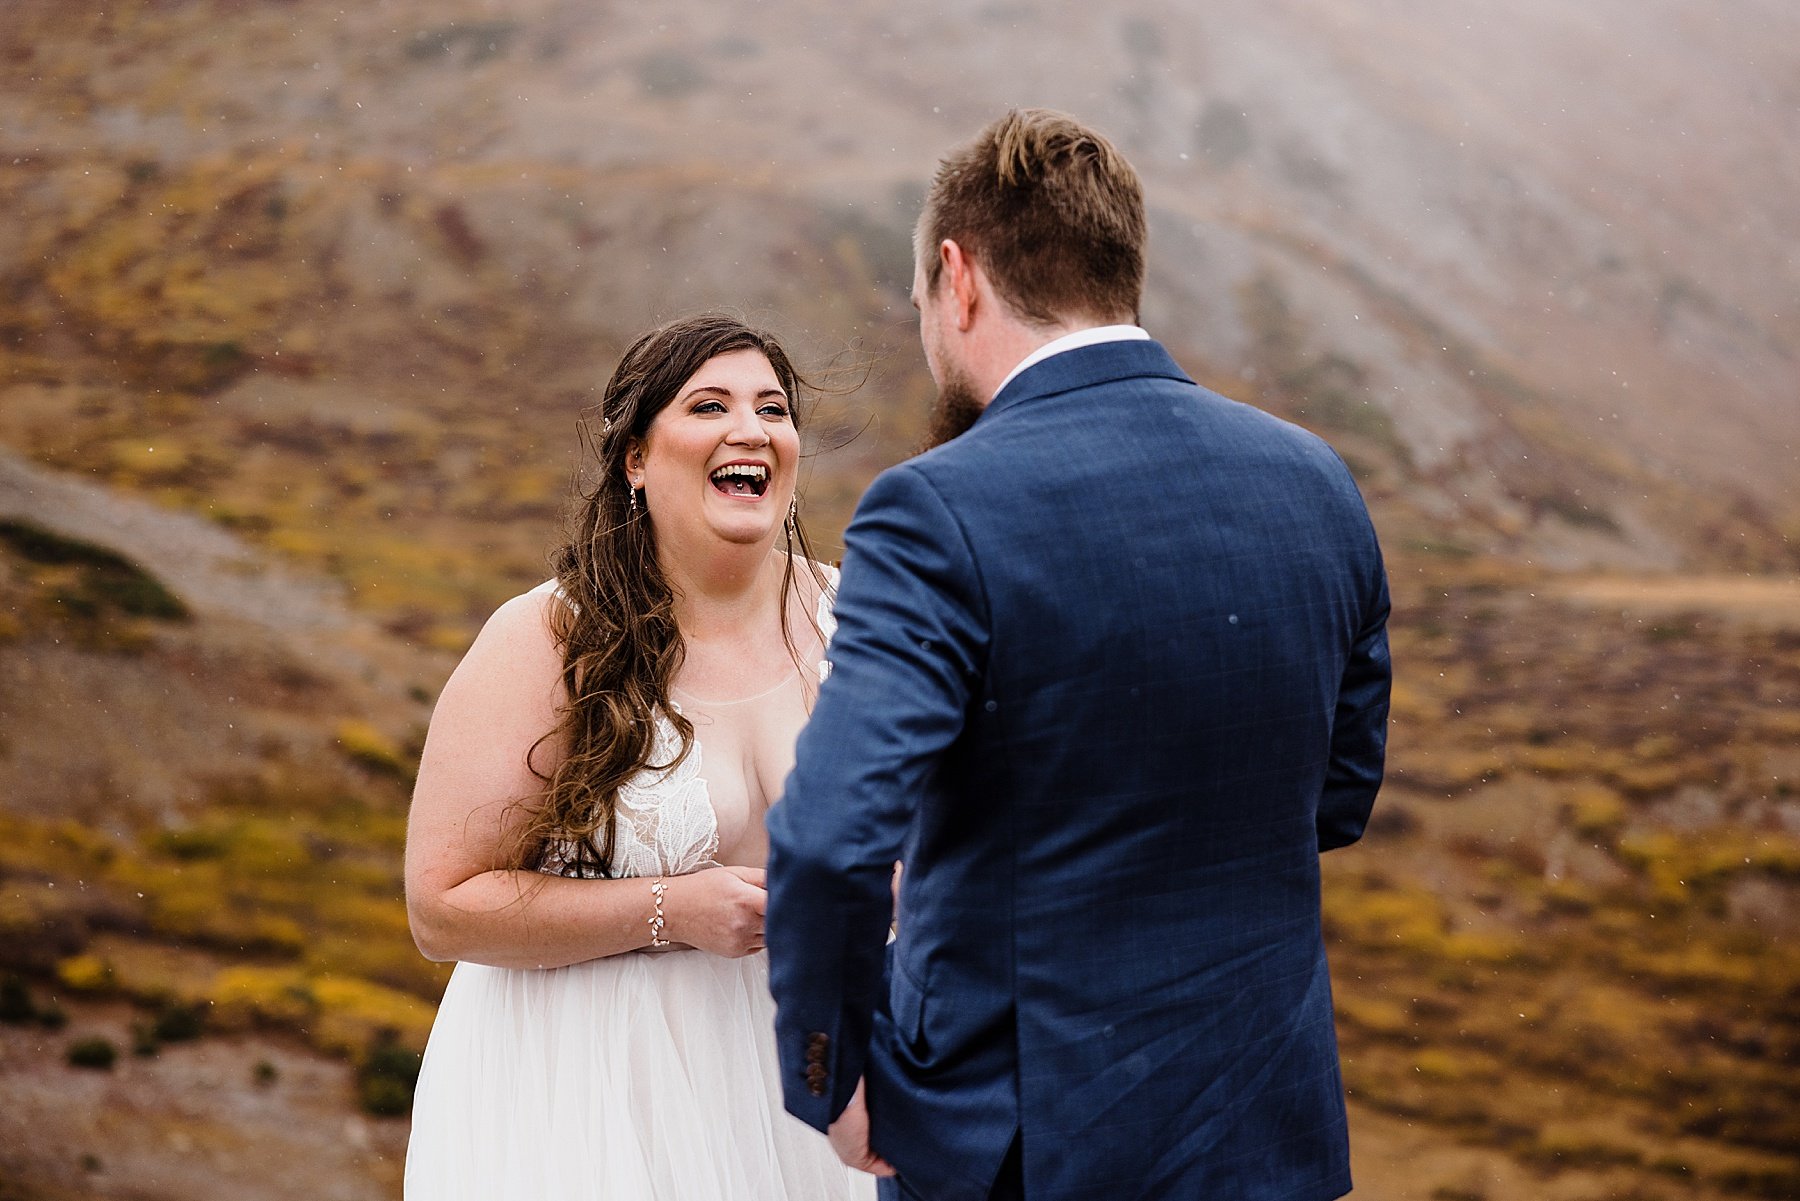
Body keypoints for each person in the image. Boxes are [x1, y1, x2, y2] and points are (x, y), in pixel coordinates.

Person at [765, 109, 1392, 1201]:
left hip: (1025, 1146)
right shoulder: (1314, 481)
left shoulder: (936, 508)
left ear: (958, 279)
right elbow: (1337, 796)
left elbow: (828, 838)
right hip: (1263, 1129)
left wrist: (831, 1069)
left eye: (922, 301)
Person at [403, 314, 875, 1200]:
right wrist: (670, 908)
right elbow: (442, 906)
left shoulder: (860, 621)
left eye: (774, 409)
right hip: (588, 1096)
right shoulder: (549, 639)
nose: (752, 429)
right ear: (636, 458)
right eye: (709, 405)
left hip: (803, 1093)